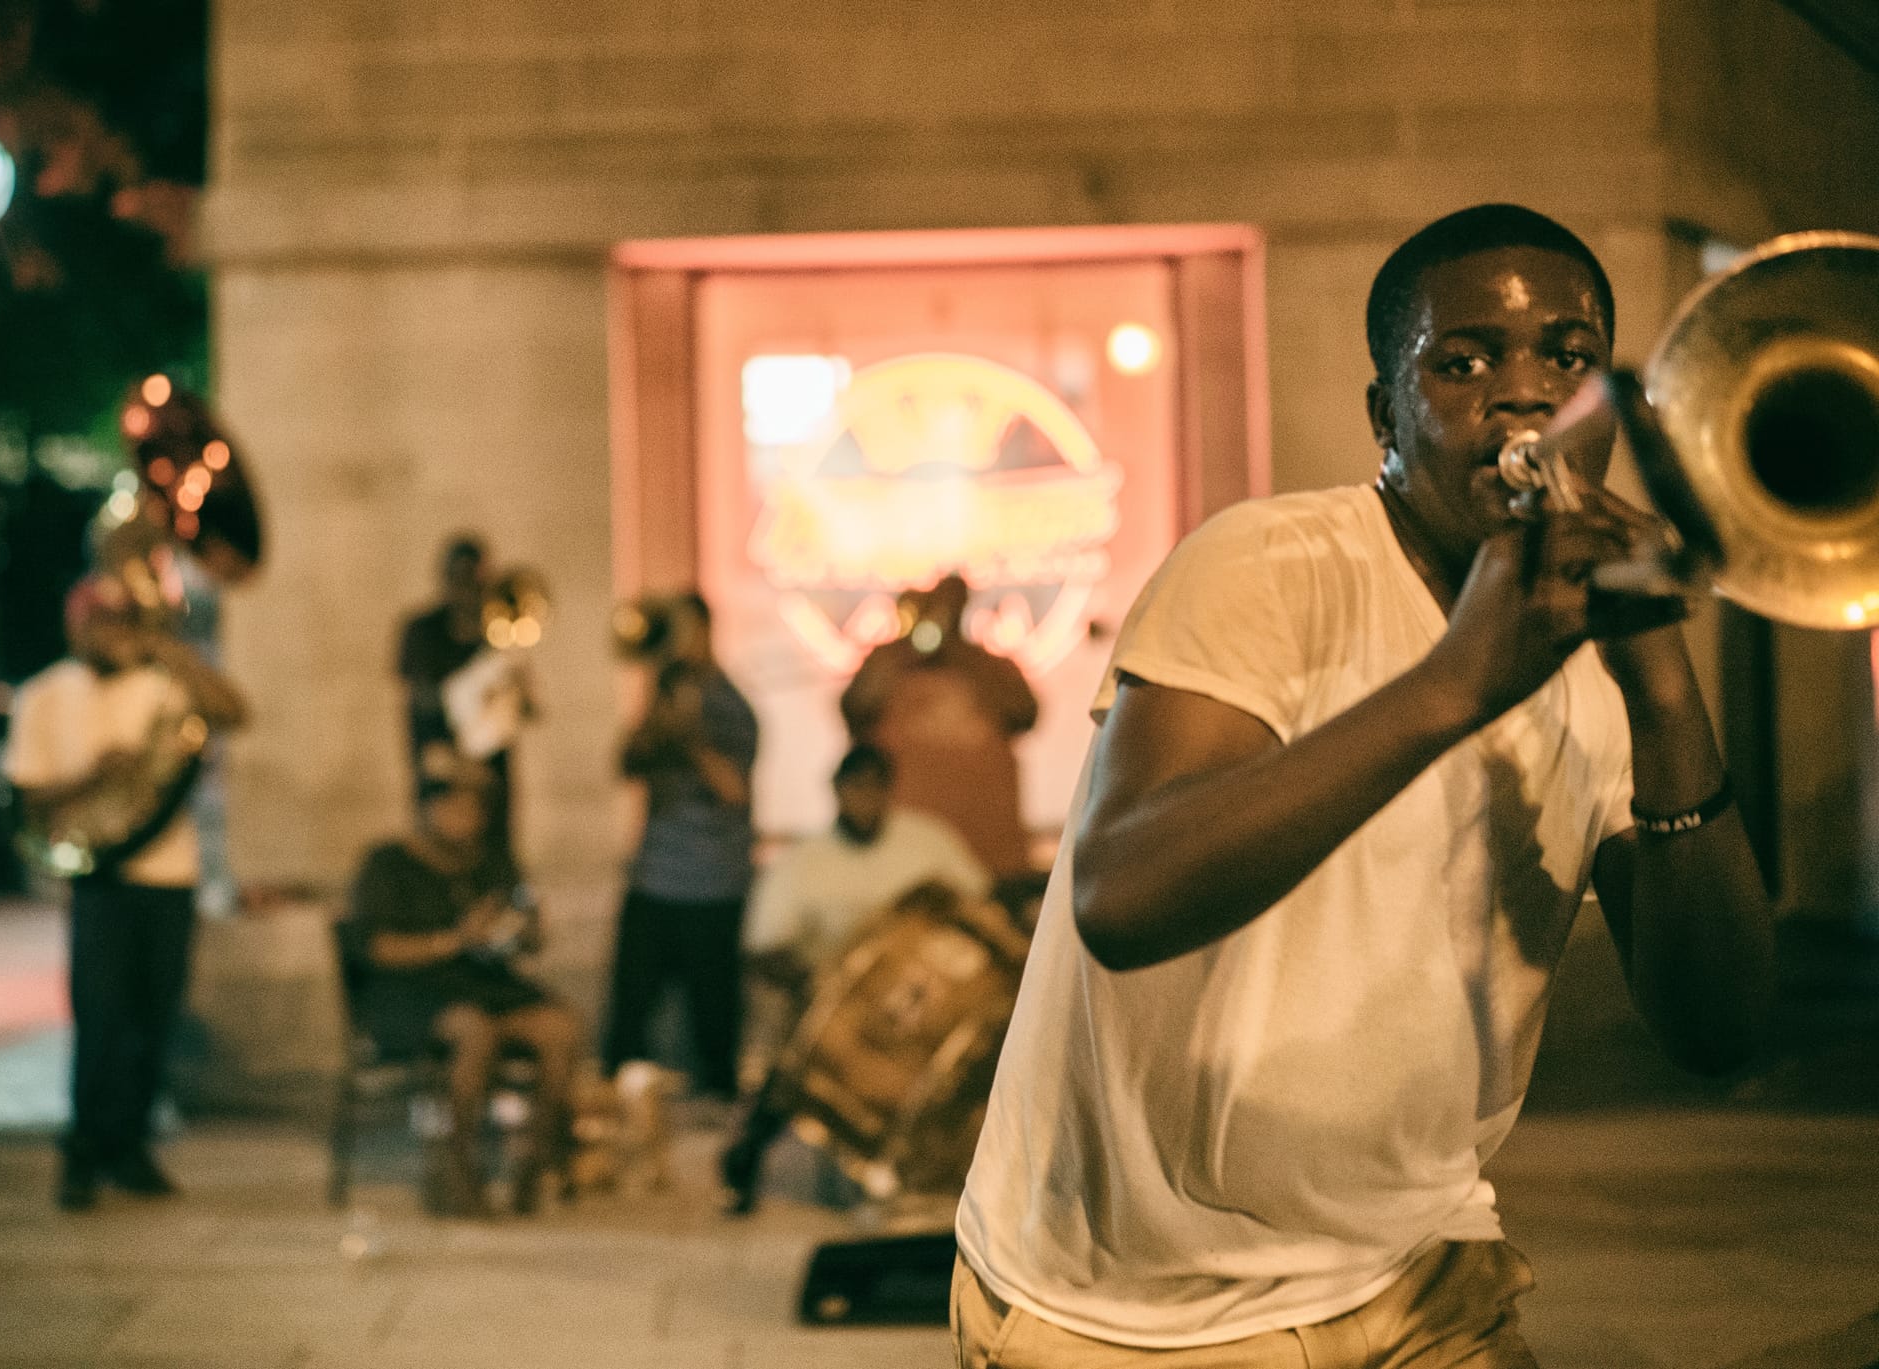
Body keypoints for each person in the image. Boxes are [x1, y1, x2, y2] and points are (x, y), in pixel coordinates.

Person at [952, 204, 1774, 1368]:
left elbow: (1718, 1028)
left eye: (1566, 356)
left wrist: (1661, 684)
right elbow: (1122, 895)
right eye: (1462, 363)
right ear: (1386, 416)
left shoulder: (1594, 651)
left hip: (1414, 1277)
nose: (1522, 392)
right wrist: (1450, 685)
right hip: (1120, 1314)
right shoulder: (1267, 562)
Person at [5, 575, 249, 1212]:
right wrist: (94, 776)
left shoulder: (164, 687)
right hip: (100, 877)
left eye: (121, 621)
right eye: (99, 621)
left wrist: (168, 650)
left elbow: (235, 713)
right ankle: (84, 1150)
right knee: (101, 1016)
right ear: (75, 626)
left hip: (170, 875)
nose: (110, 633)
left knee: (154, 1016)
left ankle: (131, 1146)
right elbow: (27, 799)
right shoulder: (44, 694)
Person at [719, 742, 991, 1214]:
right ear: (837, 791)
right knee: (800, 1061)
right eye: (855, 788)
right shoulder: (805, 859)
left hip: (928, 1004)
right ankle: (746, 1161)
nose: (865, 798)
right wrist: (818, 985)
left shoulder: (926, 842)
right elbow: (764, 947)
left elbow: (979, 906)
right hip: (839, 1009)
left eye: (874, 787)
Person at [345, 757, 581, 1217]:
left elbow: (521, 935)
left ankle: (534, 1160)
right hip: (413, 992)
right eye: (453, 806)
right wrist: (456, 939)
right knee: (473, 1032)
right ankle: (457, 1166)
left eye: (473, 809)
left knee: (560, 1028)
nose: (463, 819)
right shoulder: (389, 863)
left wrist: (519, 929)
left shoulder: (491, 863)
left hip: (485, 985)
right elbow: (377, 948)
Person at [601, 593, 759, 1102]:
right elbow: (626, 765)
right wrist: (656, 721)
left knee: (714, 1021)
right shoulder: (663, 697)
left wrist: (691, 737)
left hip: (713, 887)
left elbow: (733, 790)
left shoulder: (733, 707)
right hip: (654, 880)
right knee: (628, 1017)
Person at [842, 573, 1039, 880]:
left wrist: (960, 650)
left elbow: (1025, 712)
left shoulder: (987, 666)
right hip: (905, 864)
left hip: (991, 857)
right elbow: (855, 708)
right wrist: (907, 649)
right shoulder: (887, 663)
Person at [397, 535, 526, 867]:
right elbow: (422, 701)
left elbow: (523, 710)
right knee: (442, 857)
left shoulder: (497, 632)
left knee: (495, 857)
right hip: (442, 766)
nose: (471, 588)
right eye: (463, 578)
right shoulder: (422, 631)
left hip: (491, 772)